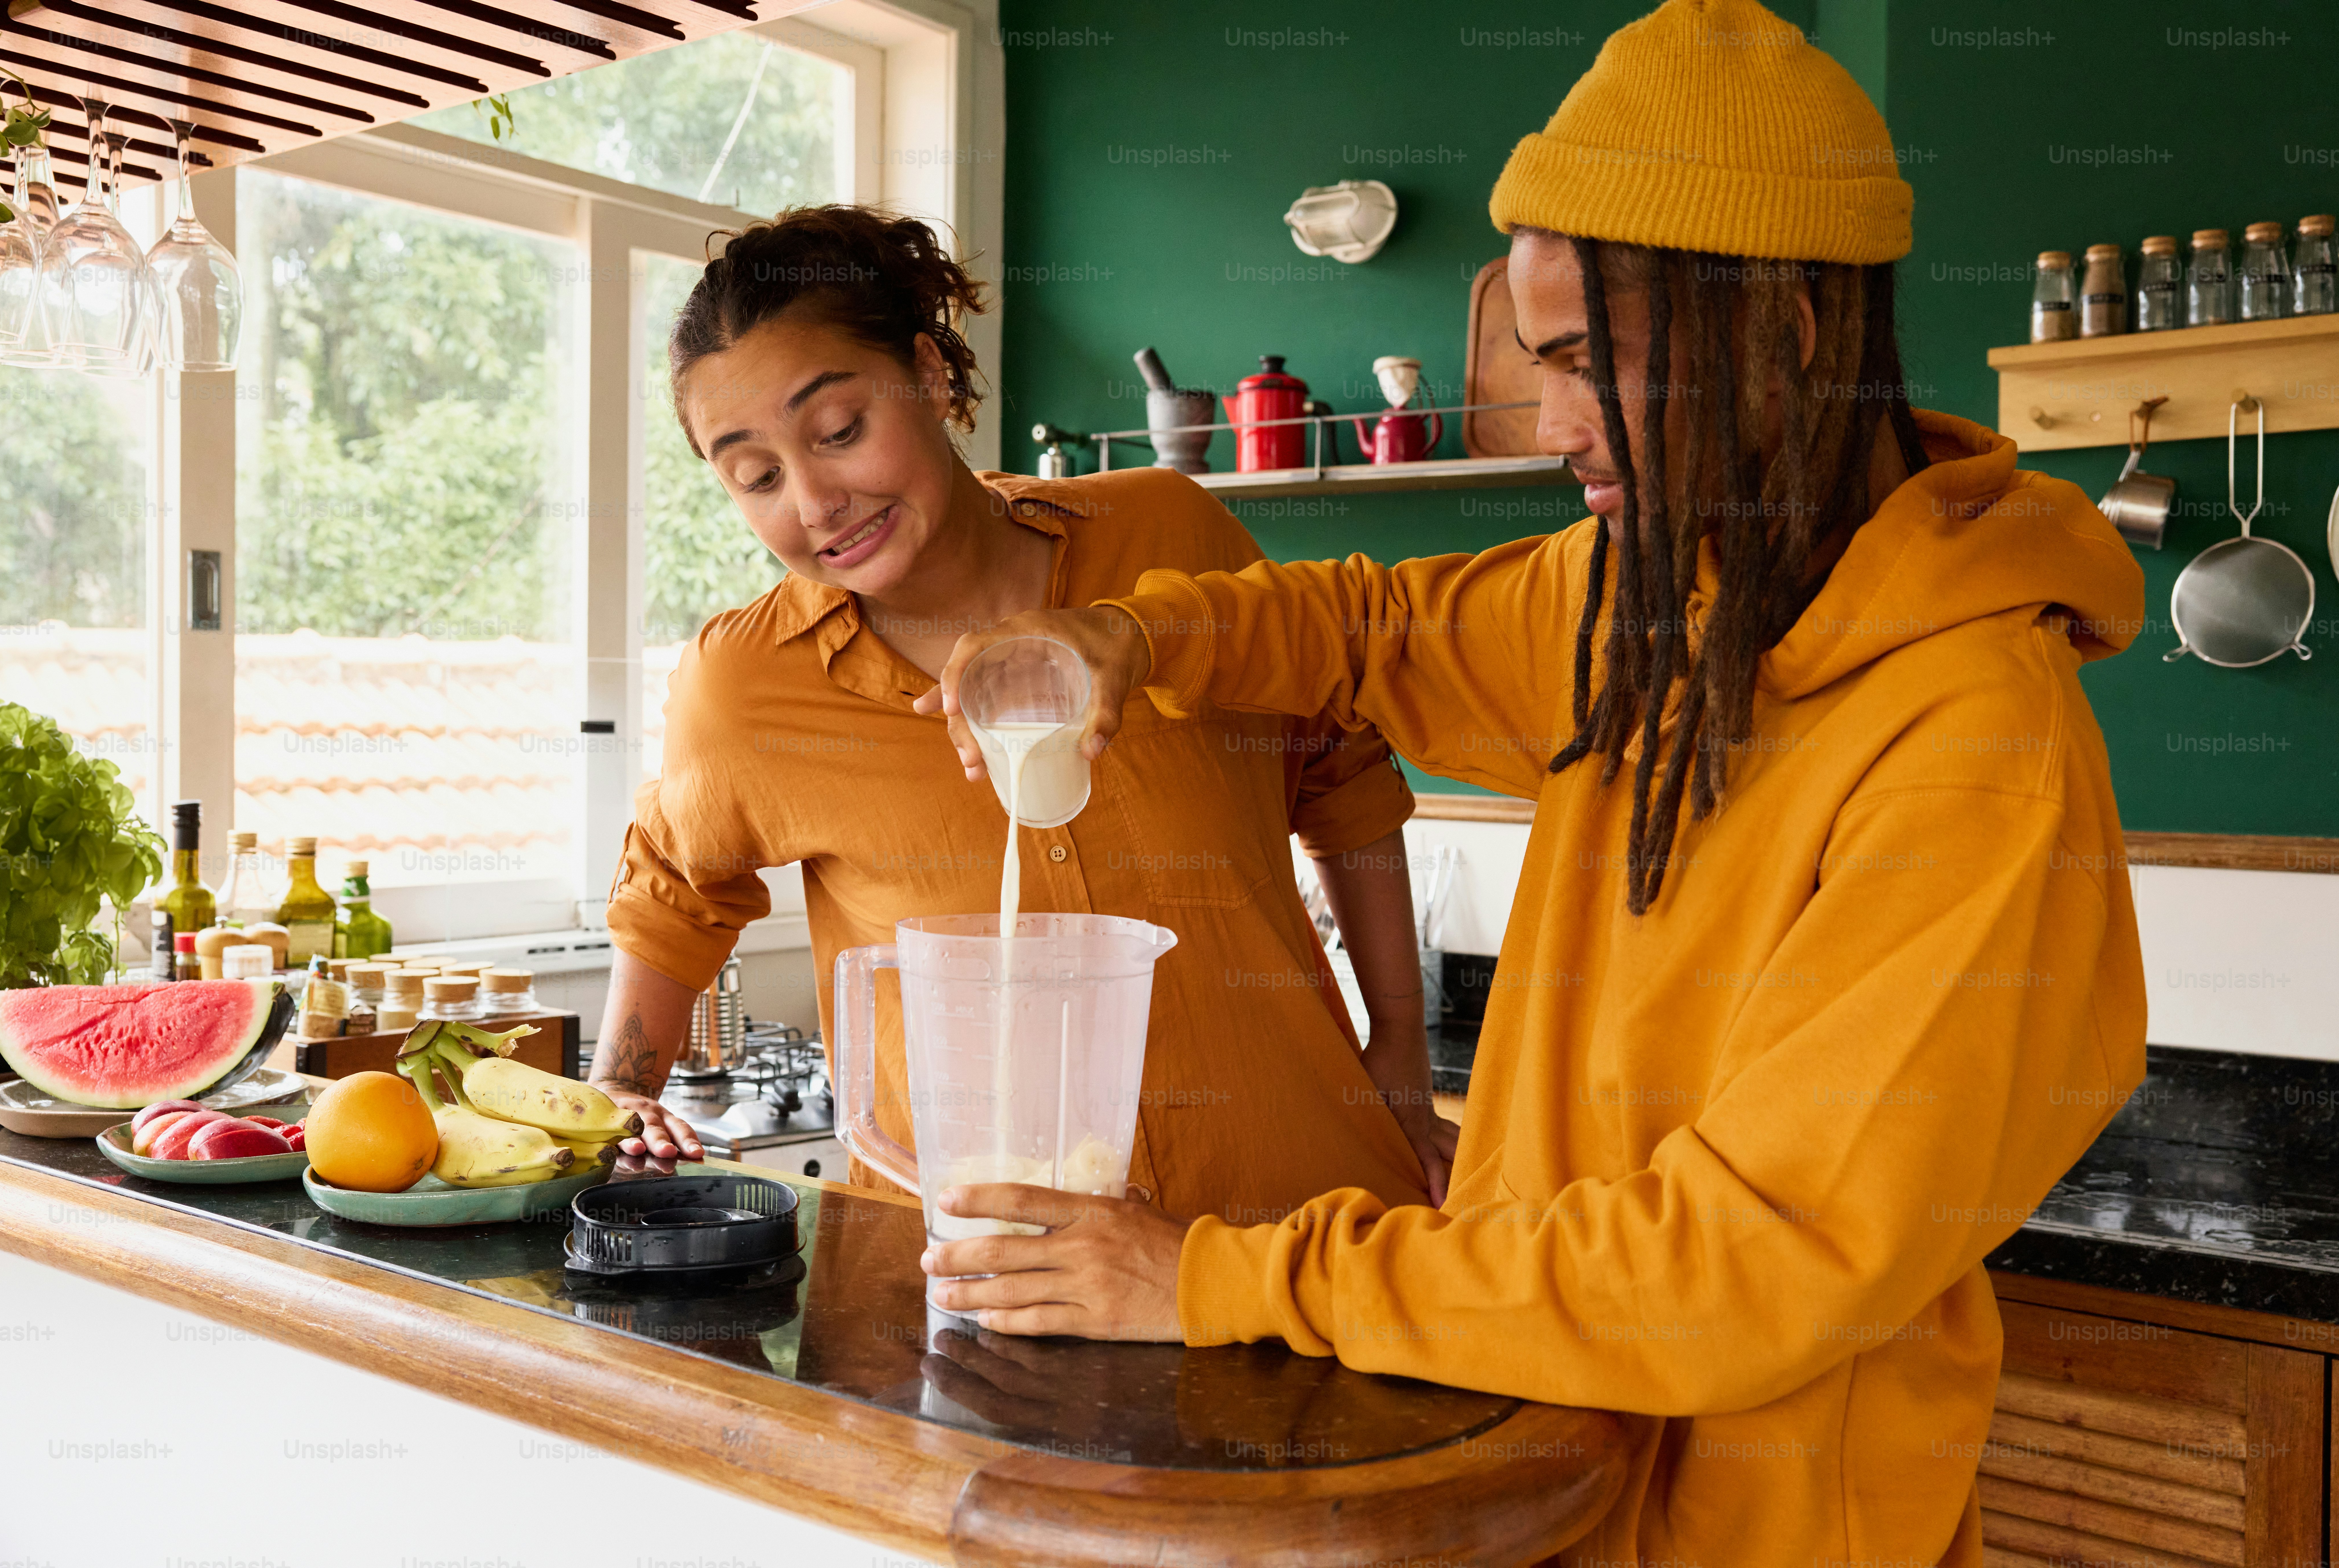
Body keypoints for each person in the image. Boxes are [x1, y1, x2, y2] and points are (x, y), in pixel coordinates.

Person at [914, 3, 2149, 1563]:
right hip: (1536, 1480)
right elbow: (1361, 622)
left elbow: (1746, 1265)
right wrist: (1120, 642)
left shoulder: (1977, 735)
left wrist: (1212, 1279)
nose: (1554, 425)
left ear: (1790, 331)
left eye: (1586, 365)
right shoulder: (1644, 599)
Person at [590, 205, 1455, 1228]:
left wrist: (1398, 1059)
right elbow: (675, 895)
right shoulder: (746, 685)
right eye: (759, 476)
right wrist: (621, 1094)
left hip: (1297, 1223)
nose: (816, 500)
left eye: (839, 432)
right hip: (987, 1278)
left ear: (933, 375)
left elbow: (1340, 777)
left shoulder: (1171, 536)